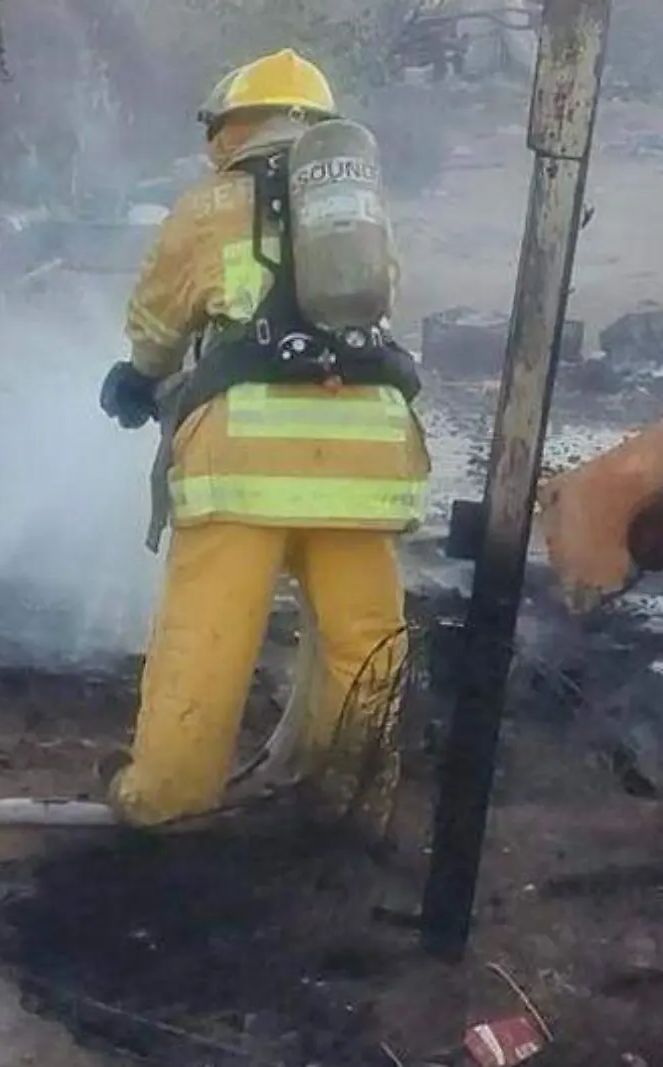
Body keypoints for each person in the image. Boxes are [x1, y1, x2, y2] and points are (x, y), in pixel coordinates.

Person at [98, 49, 430, 833]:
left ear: (232, 130)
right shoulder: (361, 217)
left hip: (243, 468)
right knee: (363, 647)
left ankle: (167, 804)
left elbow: (157, 322)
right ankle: (349, 806)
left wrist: (138, 379)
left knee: (206, 644)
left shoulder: (209, 205)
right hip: (367, 465)